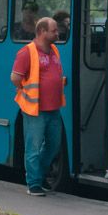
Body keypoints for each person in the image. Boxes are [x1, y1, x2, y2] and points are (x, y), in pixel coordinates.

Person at [11, 16, 65, 196]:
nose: (58, 33)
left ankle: (39, 176)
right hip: (35, 109)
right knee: (33, 146)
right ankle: (33, 183)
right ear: (42, 32)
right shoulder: (26, 52)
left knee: (53, 145)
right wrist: (27, 92)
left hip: (54, 108)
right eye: (54, 31)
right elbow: (15, 78)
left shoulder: (55, 50)